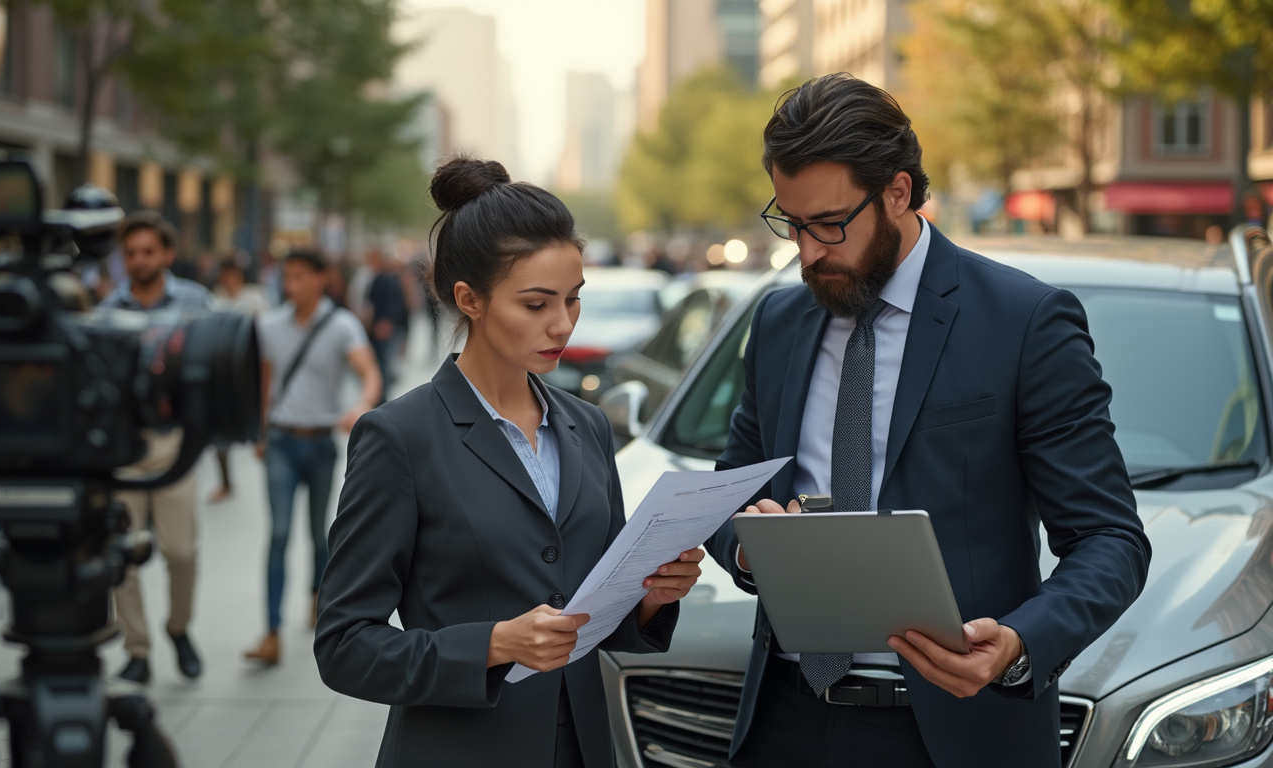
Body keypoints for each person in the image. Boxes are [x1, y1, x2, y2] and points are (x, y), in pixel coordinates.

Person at [704, 74, 1150, 768]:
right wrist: (745, 544)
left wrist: (1019, 642)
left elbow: (1111, 540)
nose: (808, 251)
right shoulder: (779, 320)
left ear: (899, 192)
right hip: (786, 721)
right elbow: (732, 483)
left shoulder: (1025, 322)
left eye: (828, 224)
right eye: (790, 223)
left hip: (958, 733)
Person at [313, 157, 704, 768]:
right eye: (536, 303)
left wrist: (653, 598)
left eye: (573, 300)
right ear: (468, 299)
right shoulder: (399, 437)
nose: (562, 324)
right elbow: (344, 646)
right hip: (457, 750)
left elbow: (595, 619)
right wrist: (491, 646)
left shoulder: (589, 426)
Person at [243, 248, 382, 665]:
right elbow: (264, 383)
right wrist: (260, 431)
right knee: (280, 532)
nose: (292, 285)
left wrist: (362, 404)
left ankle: (317, 597)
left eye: (301, 276)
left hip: (321, 443)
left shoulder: (341, 325)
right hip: (282, 442)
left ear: (323, 278)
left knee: (319, 532)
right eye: (288, 277)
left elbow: (369, 372)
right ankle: (271, 632)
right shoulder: (269, 324)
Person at [100, 210, 215, 684]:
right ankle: (138, 649)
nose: (138, 261)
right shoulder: (105, 312)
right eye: (130, 253)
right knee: (120, 554)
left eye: (147, 252)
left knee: (181, 551)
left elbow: (213, 365)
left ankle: (178, 628)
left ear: (167, 255)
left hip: (175, 444)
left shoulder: (196, 302)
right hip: (122, 447)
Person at [207, 257, 272, 504]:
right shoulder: (216, 298)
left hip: (251, 368)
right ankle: (225, 481)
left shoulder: (254, 297)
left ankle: (260, 442)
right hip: (224, 370)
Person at [362, 247, 410, 404]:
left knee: (382, 363)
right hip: (376, 328)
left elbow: (395, 303)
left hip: (382, 329)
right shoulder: (378, 277)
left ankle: (381, 397)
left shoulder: (386, 279)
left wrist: (386, 322)